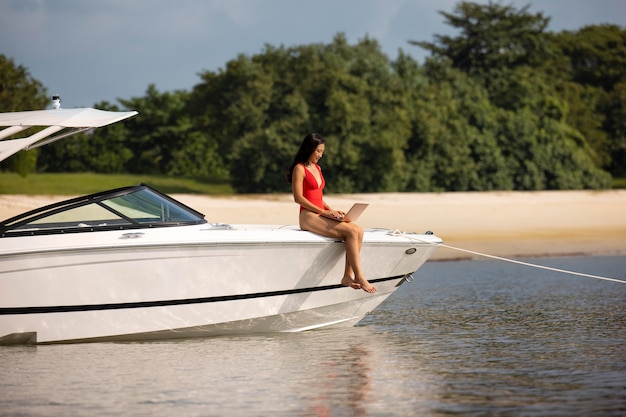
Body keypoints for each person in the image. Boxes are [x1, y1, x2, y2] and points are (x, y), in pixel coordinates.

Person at [287, 133, 376, 293]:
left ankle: (348, 276)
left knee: (358, 230)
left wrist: (331, 211)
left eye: (322, 152)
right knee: (350, 231)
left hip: (319, 212)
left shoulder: (318, 168)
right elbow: (298, 198)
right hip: (308, 216)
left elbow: (317, 197)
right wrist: (323, 212)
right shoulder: (299, 169)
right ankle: (360, 276)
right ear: (310, 149)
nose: (321, 155)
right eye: (318, 151)